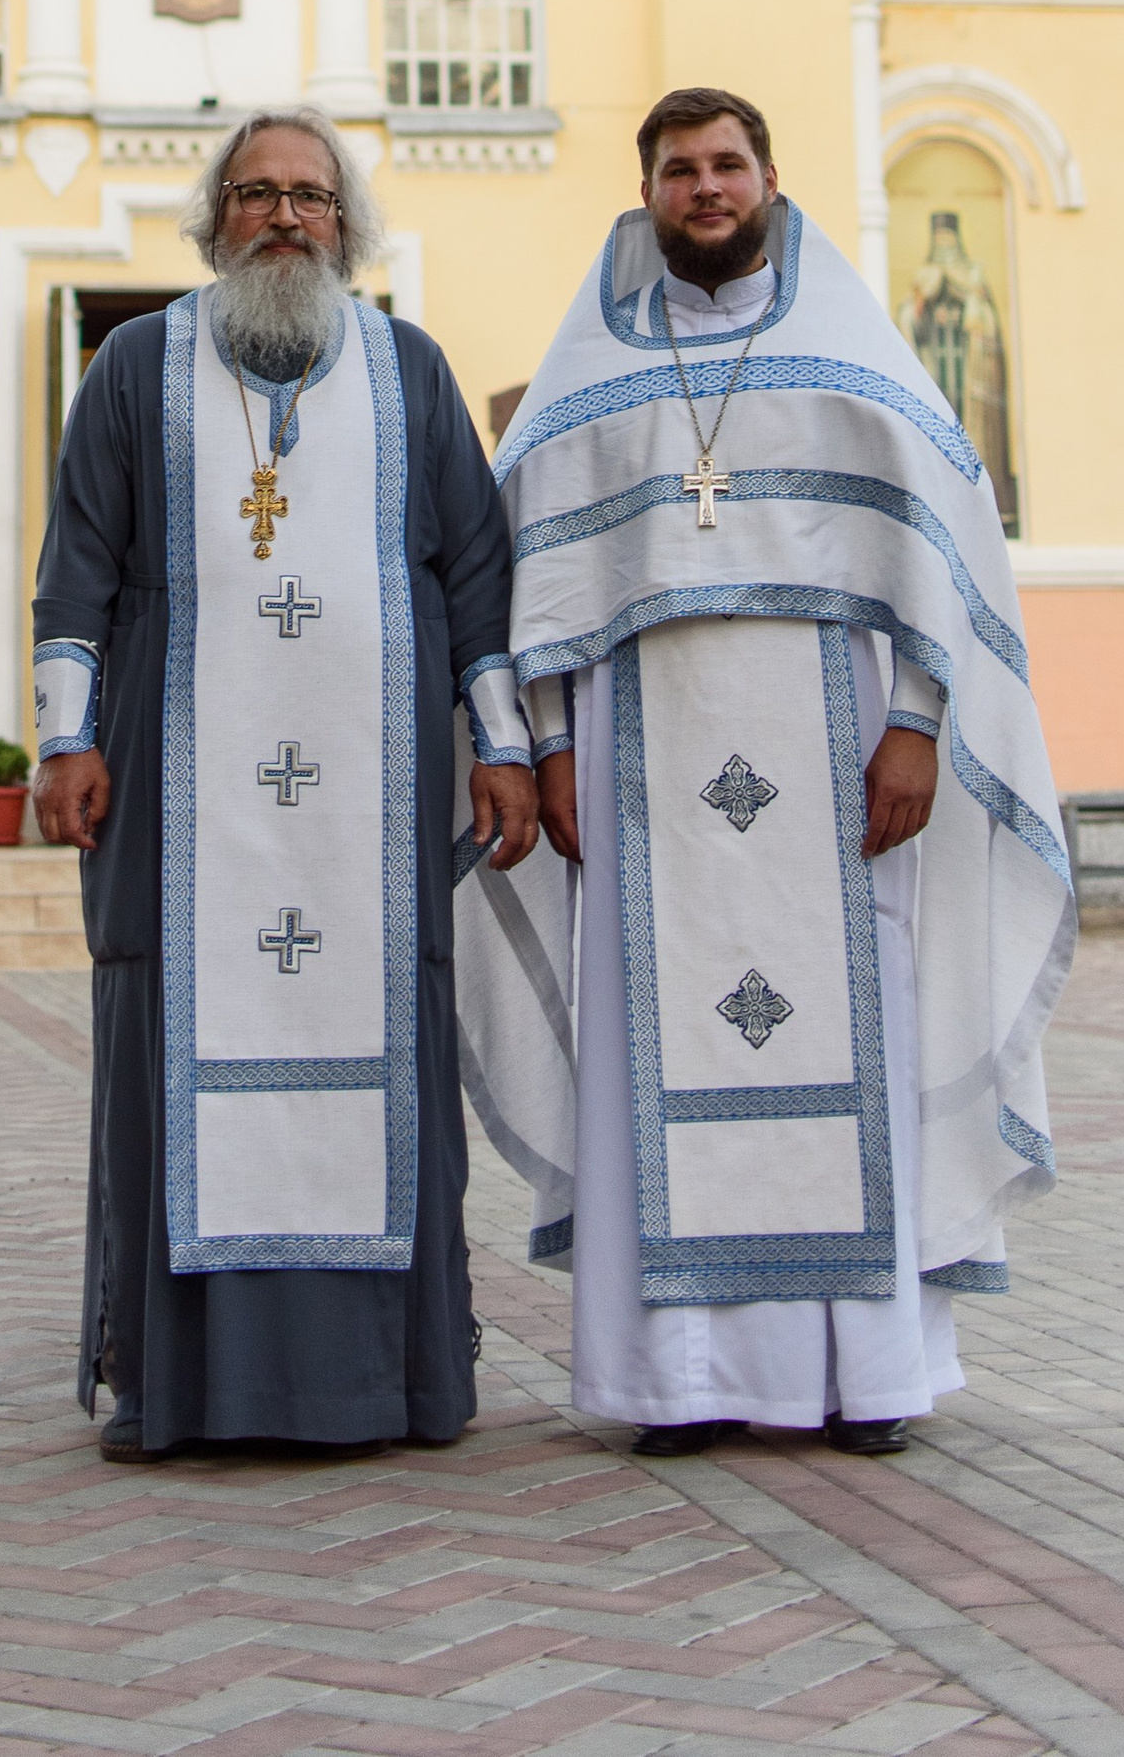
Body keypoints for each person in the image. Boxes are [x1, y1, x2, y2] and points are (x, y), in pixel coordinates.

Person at [457, 87, 1072, 1458]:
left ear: (771, 177)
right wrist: (547, 749)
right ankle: (681, 1377)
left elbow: (940, 550)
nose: (707, 185)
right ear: (649, 193)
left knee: (858, 1029)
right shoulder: (584, 382)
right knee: (652, 1045)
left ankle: (868, 1375)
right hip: (637, 779)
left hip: (843, 767)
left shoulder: (853, 355)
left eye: (728, 161)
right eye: (681, 167)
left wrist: (918, 722)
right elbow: (530, 584)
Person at [33, 108, 540, 1464]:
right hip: (178, 796)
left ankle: (389, 1378)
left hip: (373, 815)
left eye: (310, 195)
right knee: (173, 1054)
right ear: (214, 218)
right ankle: (185, 1384)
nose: (283, 216)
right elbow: (78, 559)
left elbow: (478, 579)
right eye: (254, 192)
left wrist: (503, 744)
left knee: (385, 1058)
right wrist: (63, 737)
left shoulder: (411, 372)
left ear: (347, 223)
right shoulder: (135, 367)